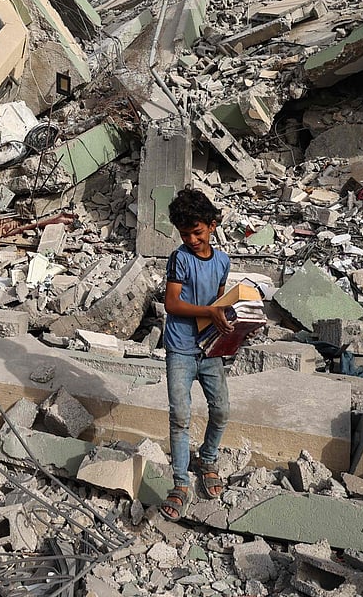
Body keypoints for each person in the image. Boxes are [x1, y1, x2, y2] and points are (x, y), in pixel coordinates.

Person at [158, 187, 233, 520]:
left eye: (197, 232)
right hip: (180, 348)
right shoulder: (180, 259)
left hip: (209, 348)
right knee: (180, 416)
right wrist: (209, 311)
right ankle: (180, 482)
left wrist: (230, 320)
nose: (190, 239)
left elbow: (219, 304)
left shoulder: (222, 261)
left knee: (221, 411)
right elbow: (171, 303)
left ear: (212, 225)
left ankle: (208, 458)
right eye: (184, 233)